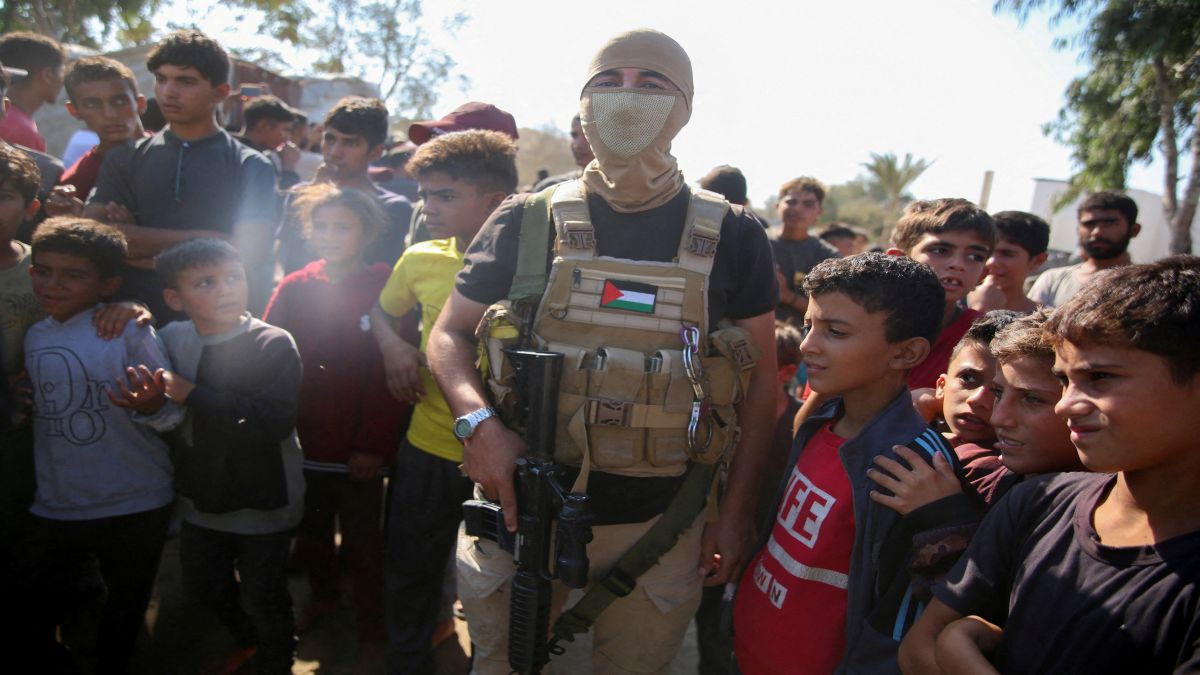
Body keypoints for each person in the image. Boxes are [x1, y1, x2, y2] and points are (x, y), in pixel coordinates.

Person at [427, 29, 778, 674]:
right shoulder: (526, 218)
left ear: (686, 106)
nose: (627, 95)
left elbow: (763, 390)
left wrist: (736, 510)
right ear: (583, 102)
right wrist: (478, 425)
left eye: (652, 82)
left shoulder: (732, 233)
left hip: (662, 519)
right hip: (522, 507)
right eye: (607, 81)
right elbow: (448, 334)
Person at [899, 256, 1200, 674]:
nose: (1068, 405)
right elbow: (918, 649)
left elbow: (941, 644)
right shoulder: (1039, 503)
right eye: (1065, 381)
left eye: (1101, 378)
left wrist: (957, 651)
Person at [733, 253, 968, 674]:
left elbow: (903, 613)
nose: (808, 345)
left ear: (907, 353)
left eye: (835, 332)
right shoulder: (820, 420)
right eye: (809, 326)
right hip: (752, 647)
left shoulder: (913, 466)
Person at [368, 129, 516, 674]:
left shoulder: (540, 271)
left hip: (505, 459)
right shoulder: (419, 258)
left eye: (445, 196)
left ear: (494, 202)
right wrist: (393, 349)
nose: (427, 208)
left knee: (495, 584)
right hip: (427, 446)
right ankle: (408, 661)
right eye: (424, 195)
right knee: (411, 567)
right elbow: (381, 314)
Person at [124, 238, 304, 675]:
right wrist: (152, 404)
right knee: (203, 583)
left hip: (264, 498)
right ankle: (247, 639)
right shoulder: (169, 339)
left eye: (233, 277)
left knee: (265, 593)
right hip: (202, 498)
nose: (226, 290)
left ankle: (276, 658)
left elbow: (270, 423)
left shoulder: (272, 342)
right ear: (174, 298)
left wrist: (193, 394)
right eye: (206, 282)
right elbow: (163, 413)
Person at [21, 217, 178, 674]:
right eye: (43, 270)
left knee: (125, 612)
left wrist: (151, 407)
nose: (53, 284)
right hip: (58, 503)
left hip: (136, 500)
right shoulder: (34, 334)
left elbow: (172, 416)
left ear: (108, 283)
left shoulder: (128, 329)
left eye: (73, 274)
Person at [262, 184, 402, 668]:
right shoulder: (297, 285)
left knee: (365, 543)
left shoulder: (386, 285)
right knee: (313, 531)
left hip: (359, 448)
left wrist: (372, 445)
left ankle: (372, 629)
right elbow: (269, 349)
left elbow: (391, 377)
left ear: (367, 231)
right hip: (305, 442)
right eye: (320, 226)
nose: (328, 235)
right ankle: (323, 598)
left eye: (342, 226)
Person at [83, 30, 279, 321]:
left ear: (220, 92)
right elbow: (96, 237)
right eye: (161, 79)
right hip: (130, 323)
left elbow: (248, 252)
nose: (168, 92)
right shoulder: (125, 158)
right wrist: (206, 237)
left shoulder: (250, 165)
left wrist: (139, 248)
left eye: (185, 81)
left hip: (214, 331)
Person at [957, 309, 1084, 506]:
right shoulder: (977, 477)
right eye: (998, 393)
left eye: (1032, 399)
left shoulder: (1095, 511)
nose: (998, 418)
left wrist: (946, 520)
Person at [278, 96, 413, 274]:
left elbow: (380, 279)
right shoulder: (299, 196)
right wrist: (312, 201)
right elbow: (289, 263)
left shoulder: (392, 208)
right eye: (330, 139)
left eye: (351, 143)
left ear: (375, 152)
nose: (335, 152)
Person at [888, 198, 995, 390]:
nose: (958, 264)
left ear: (983, 275)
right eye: (940, 250)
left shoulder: (985, 338)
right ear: (898, 259)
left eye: (975, 257)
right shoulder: (859, 324)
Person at [46, 56, 147, 216]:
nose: (110, 114)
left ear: (140, 104)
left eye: (119, 101)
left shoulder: (177, 150)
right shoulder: (77, 181)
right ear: (74, 111)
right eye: (92, 104)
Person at [1028, 191, 1140, 308]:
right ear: (1078, 229)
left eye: (1109, 223)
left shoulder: (1146, 286)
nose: (1097, 232)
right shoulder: (1052, 281)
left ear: (1134, 230)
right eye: (1089, 224)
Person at [772, 177, 839, 327]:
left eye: (808, 204)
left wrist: (787, 296)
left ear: (819, 212)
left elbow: (830, 311)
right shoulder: (756, 242)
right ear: (777, 206)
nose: (797, 208)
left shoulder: (828, 256)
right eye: (791, 202)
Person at [967, 210, 1049, 313]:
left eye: (1007, 254)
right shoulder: (950, 306)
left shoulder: (1045, 322)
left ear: (1037, 261)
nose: (991, 262)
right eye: (986, 252)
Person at [0, 32, 65, 153]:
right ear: (47, 75)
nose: (63, 81)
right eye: (62, 73)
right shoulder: (22, 132)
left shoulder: (12, 120)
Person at [237, 95, 301, 189]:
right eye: (285, 130)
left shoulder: (267, 156)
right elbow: (276, 201)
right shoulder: (243, 158)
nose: (288, 137)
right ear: (263, 125)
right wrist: (288, 169)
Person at [532, 114, 595, 191]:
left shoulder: (612, 192)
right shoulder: (552, 189)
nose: (577, 145)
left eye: (587, 135)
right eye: (574, 135)